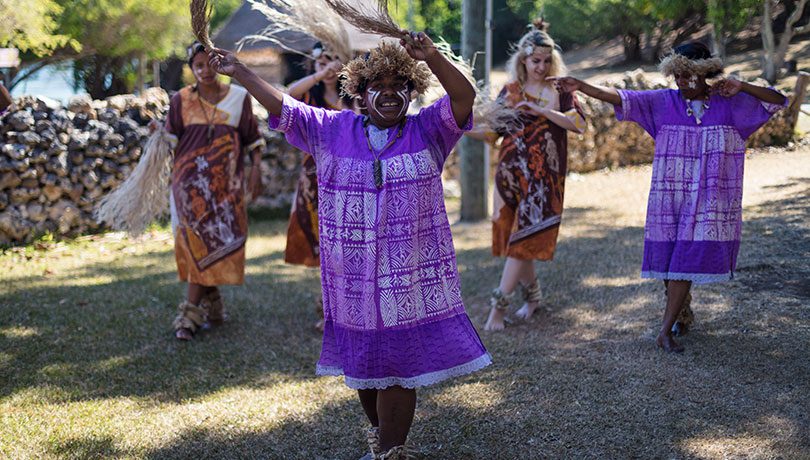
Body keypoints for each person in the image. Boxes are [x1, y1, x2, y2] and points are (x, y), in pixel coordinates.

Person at [208, 32, 491, 458]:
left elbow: (464, 97)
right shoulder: (332, 130)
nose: (391, 95)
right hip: (350, 275)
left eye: (401, 87)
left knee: (397, 364)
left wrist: (430, 54)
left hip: (407, 271)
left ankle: (393, 451)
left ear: (411, 94)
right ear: (359, 93)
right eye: (379, 86)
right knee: (363, 361)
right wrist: (243, 72)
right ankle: (382, 442)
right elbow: (284, 107)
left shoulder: (429, 130)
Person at [550, 42, 787, 352]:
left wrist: (742, 85)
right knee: (671, 264)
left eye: (688, 75)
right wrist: (580, 85)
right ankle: (681, 313)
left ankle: (664, 331)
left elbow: (777, 100)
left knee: (684, 260)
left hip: (710, 203)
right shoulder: (663, 103)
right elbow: (620, 97)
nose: (681, 82)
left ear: (705, 74)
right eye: (676, 76)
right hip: (670, 199)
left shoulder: (731, 104)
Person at [473, 20, 586, 331]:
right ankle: (534, 299)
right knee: (516, 240)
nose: (541, 66)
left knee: (524, 241)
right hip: (509, 177)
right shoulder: (509, 92)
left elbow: (579, 124)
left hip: (544, 181)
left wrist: (543, 112)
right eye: (535, 60)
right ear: (522, 60)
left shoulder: (560, 91)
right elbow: (490, 134)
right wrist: (463, 124)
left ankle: (497, 311)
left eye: (547, 60)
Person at [167, 42, 266, 341]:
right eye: (197, 65)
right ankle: (189, 315)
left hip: (226, 188)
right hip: (189, 188)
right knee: (195, 244)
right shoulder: (180, 100)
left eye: (209, 63)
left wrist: (257, 170)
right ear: (191, 68)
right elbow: (170, 142)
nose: (204, 70)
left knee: (217, 243)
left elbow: (252, 138)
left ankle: (212, 306)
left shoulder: (239, 98)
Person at [284, 42, 355, 330]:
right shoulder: (308, 98)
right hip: (315, 181)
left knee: (347, 242)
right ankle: (331, 307)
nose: (326, 67)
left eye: (331, 60)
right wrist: (318, 74)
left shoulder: (353, 96)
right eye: (319, 62)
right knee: (324, 244)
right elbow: (287, 95)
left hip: (349, 179)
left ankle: (346, 305)